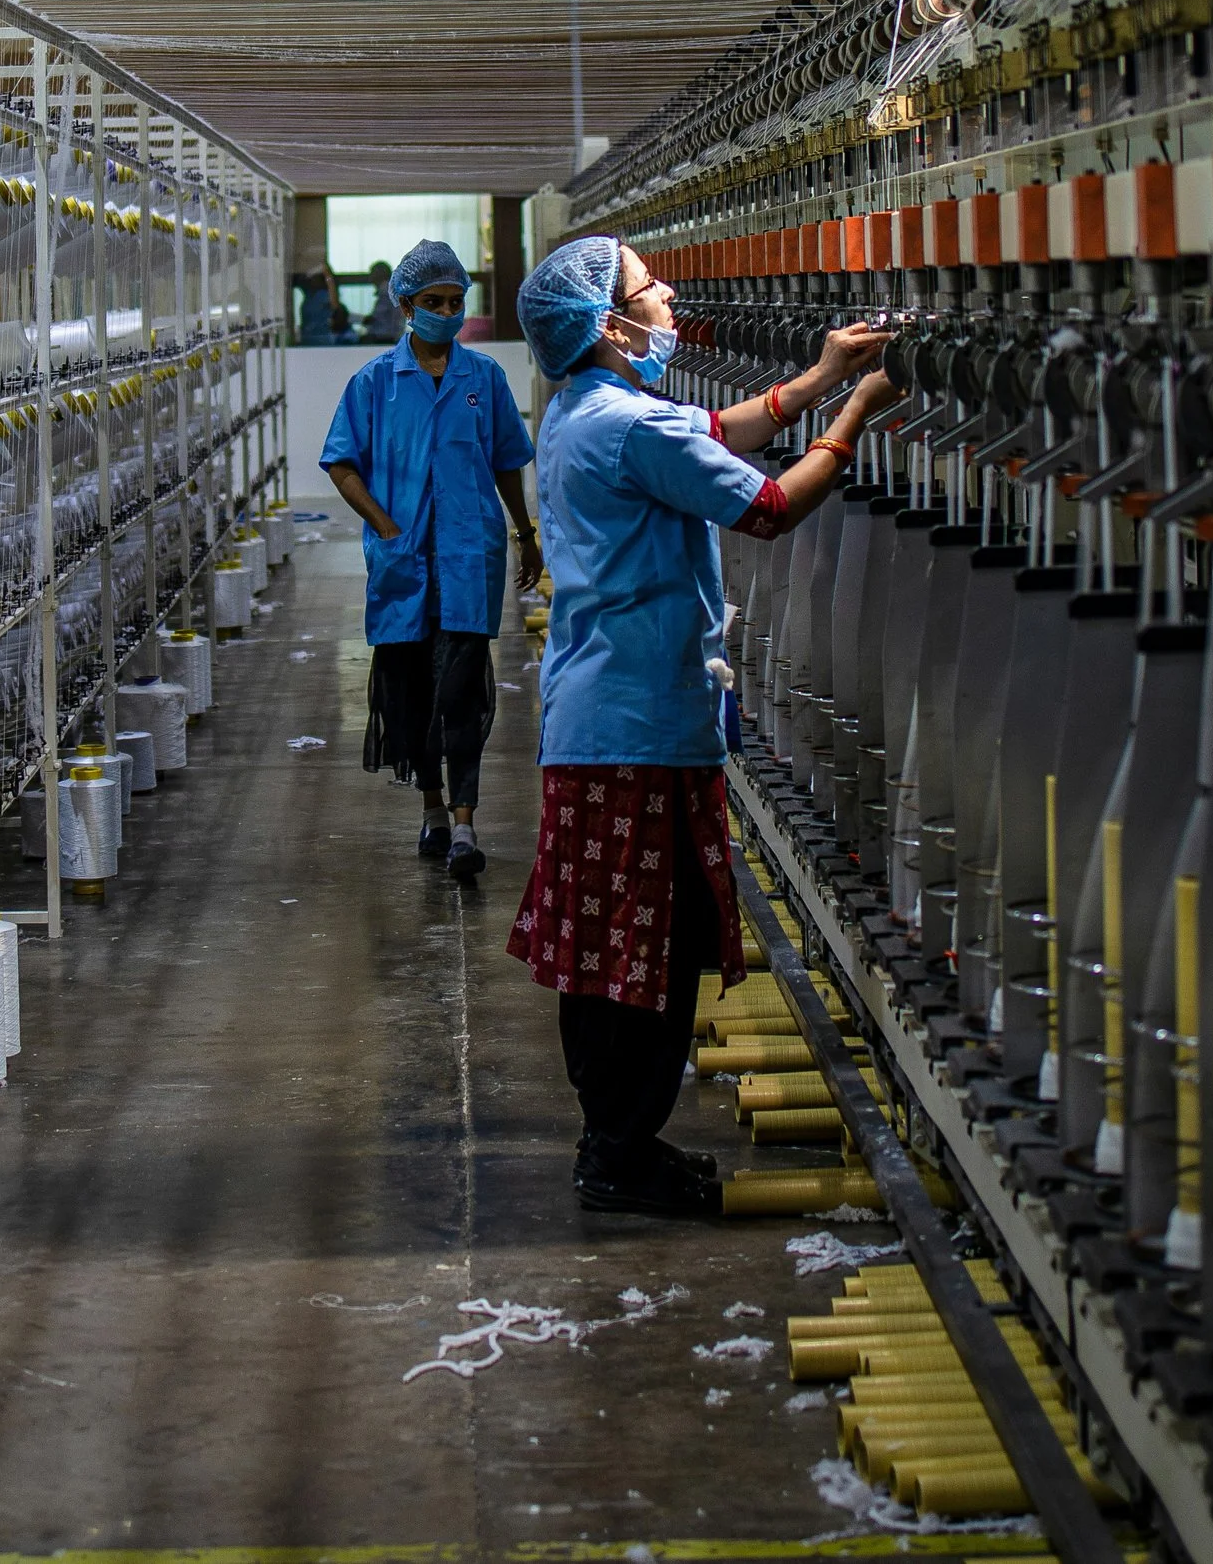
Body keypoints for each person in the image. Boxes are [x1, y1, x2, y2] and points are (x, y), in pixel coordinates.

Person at [507, 234, 901, 1216]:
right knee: (640, 949)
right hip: (632, 727)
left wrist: (813, 377)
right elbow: (767, 507)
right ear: (608, 323)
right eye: (648, 288)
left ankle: (620, 1140)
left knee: (621, 943)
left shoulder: (586, 411)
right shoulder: (628, 427)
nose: (668, 295)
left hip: (611, 715)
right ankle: (617, 1150)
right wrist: (854, 413)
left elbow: (708, 433)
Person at [321, 237, 539, 883]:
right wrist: (387, 526)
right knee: (411, 694)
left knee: (462, 693)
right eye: (435, 301)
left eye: (456, 301)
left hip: (470, 558)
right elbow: (339, 461)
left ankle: (467, 824)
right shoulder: (375, 383)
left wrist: (525, 533)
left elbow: (506, 463)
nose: (448, 311)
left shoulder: (485, 379)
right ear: (407, 306)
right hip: (403, 565)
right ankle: (433, 808)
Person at [361, 260, 403, 342]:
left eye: (372, 274)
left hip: (384, 339)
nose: (370, 278)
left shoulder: (386, 292)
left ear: (379, 275)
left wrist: (354, 318)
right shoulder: (394, 291)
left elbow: (378, 317)